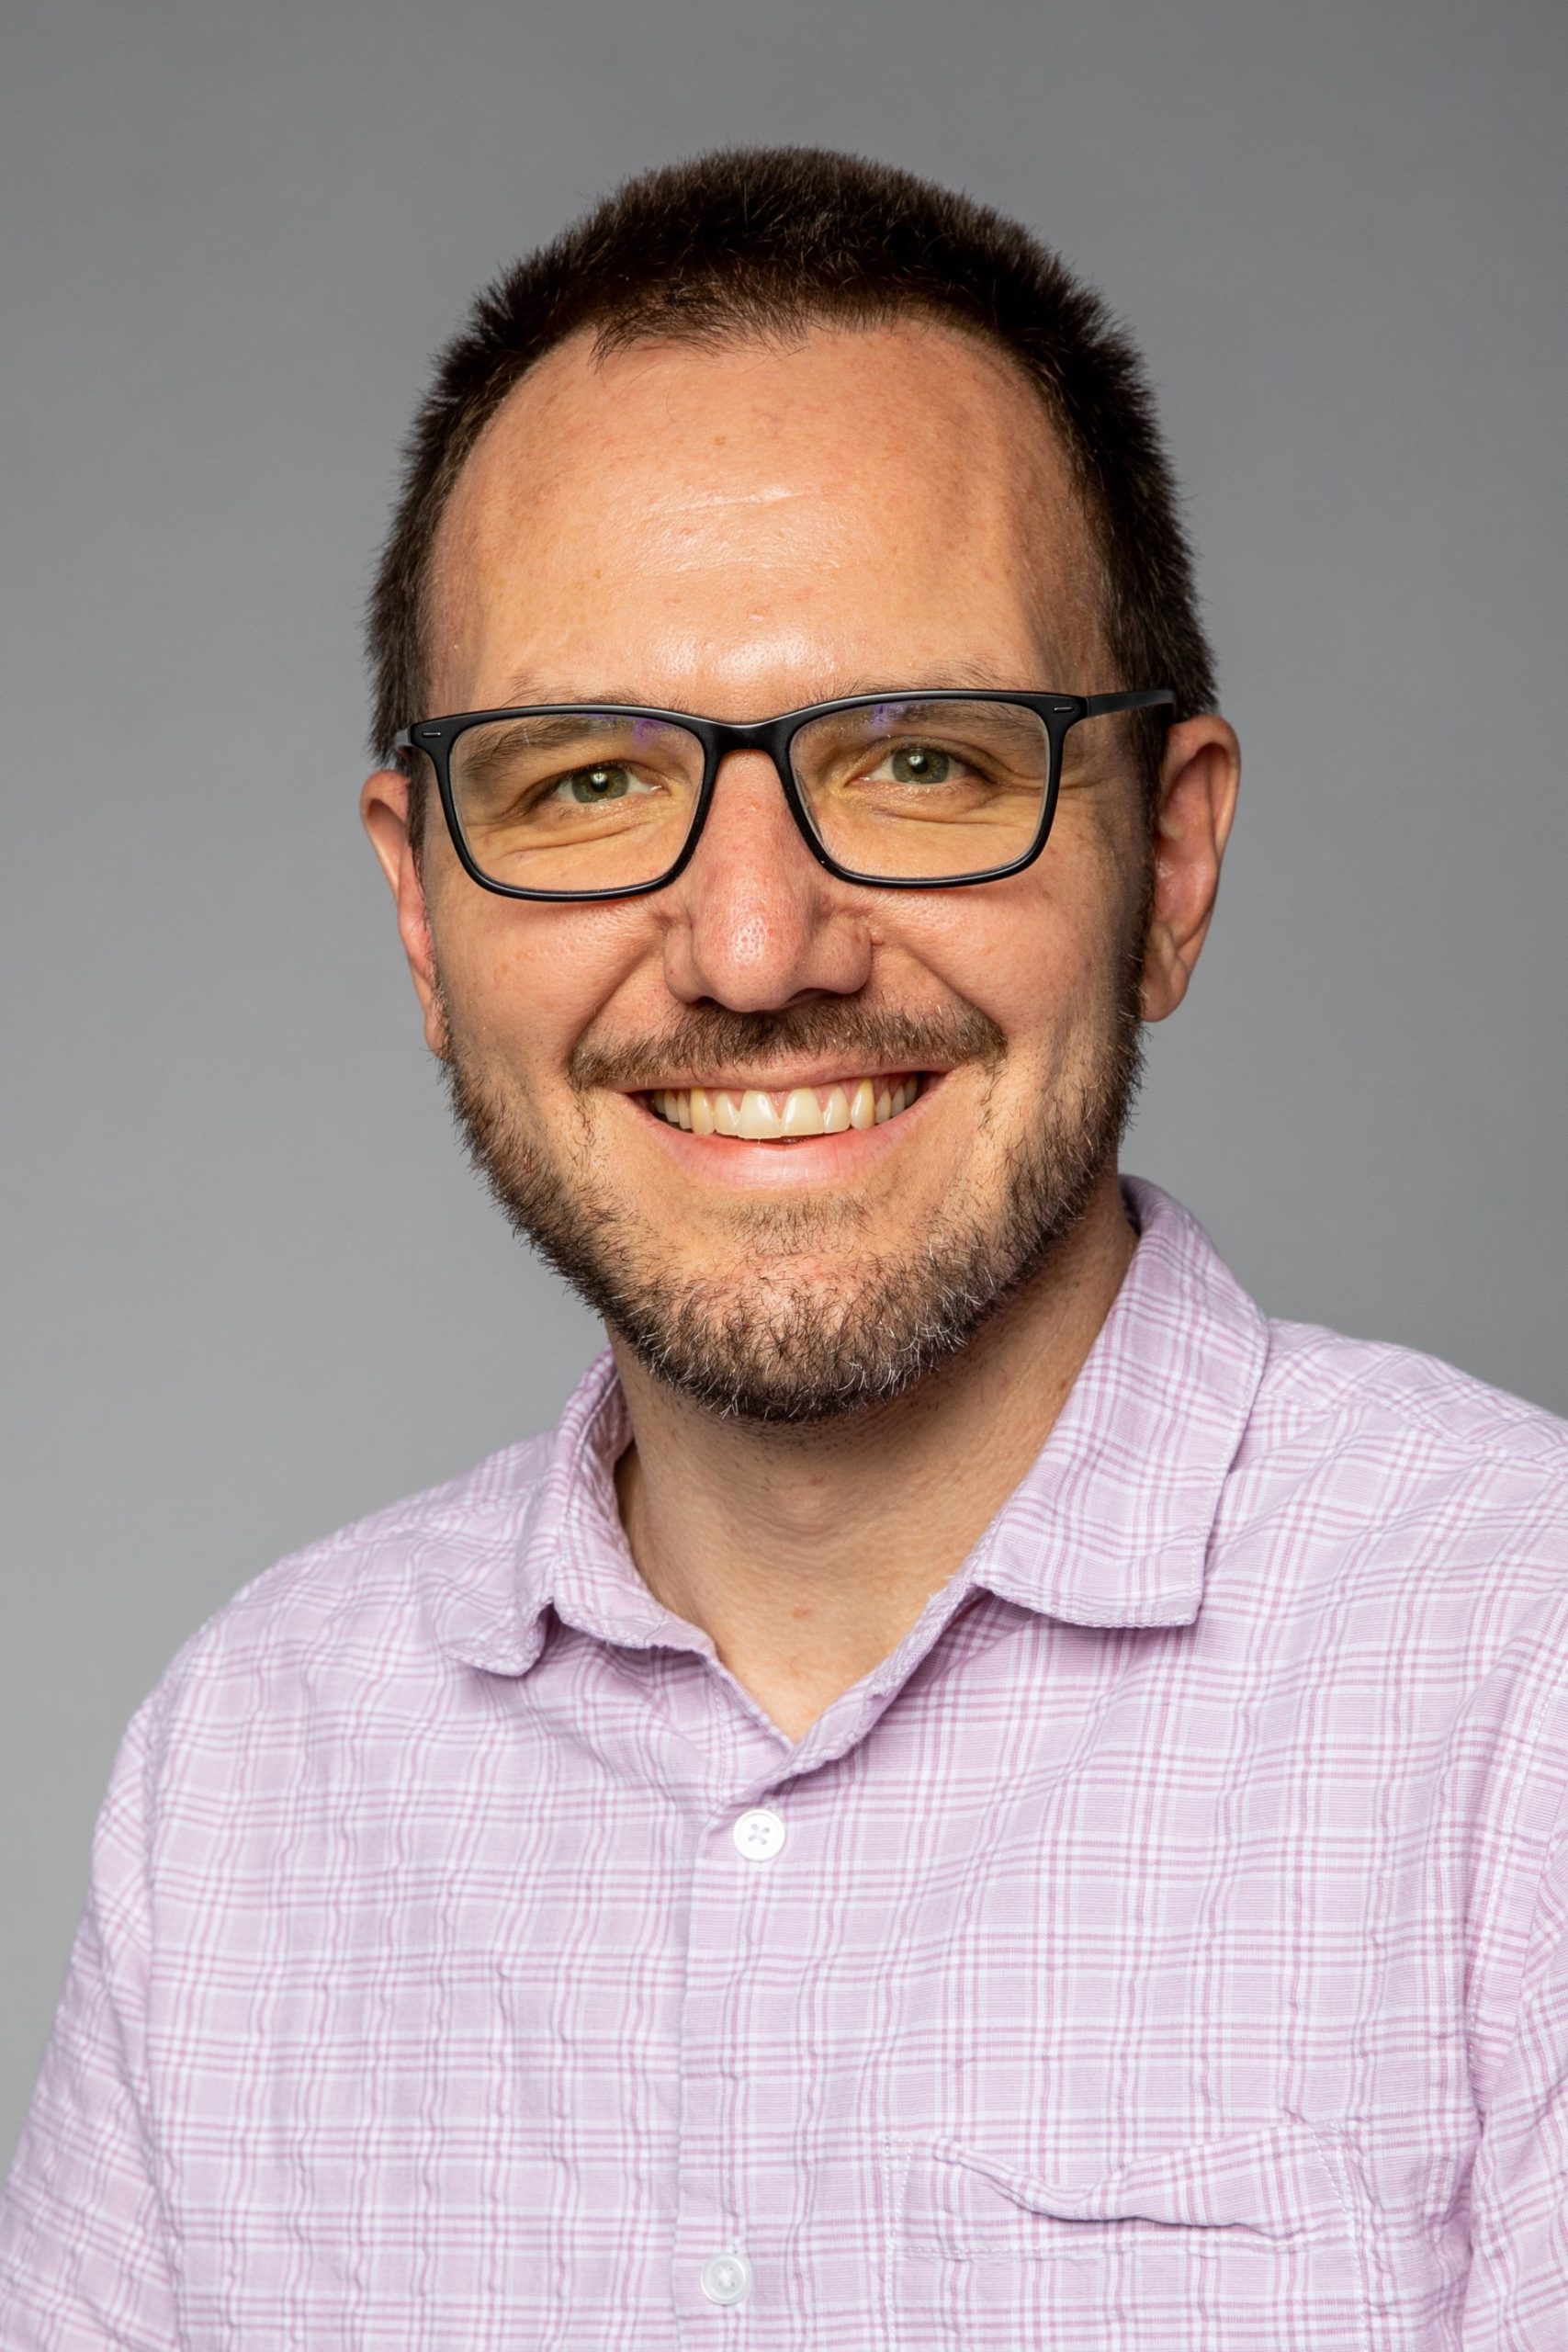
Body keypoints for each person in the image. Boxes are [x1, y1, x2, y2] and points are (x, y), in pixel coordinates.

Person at [2, 145, 1564, 2350]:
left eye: (920, 760)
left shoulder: (1520, 1697)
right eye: (584, 782)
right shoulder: (244, 1776)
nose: (751, 947)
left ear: (1171, 859)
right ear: (420, 909)